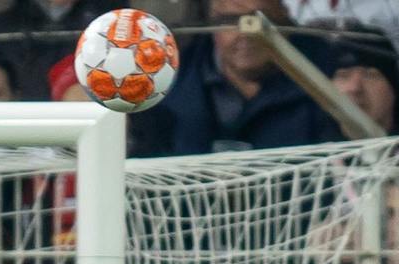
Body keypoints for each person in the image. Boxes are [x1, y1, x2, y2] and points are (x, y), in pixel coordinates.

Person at [130, 0, 343, 157]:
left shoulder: (327, 75)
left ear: (285, 19)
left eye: (261, 19)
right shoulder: (169, 79)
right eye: (232, 20)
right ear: (212, 24)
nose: (246, 32)